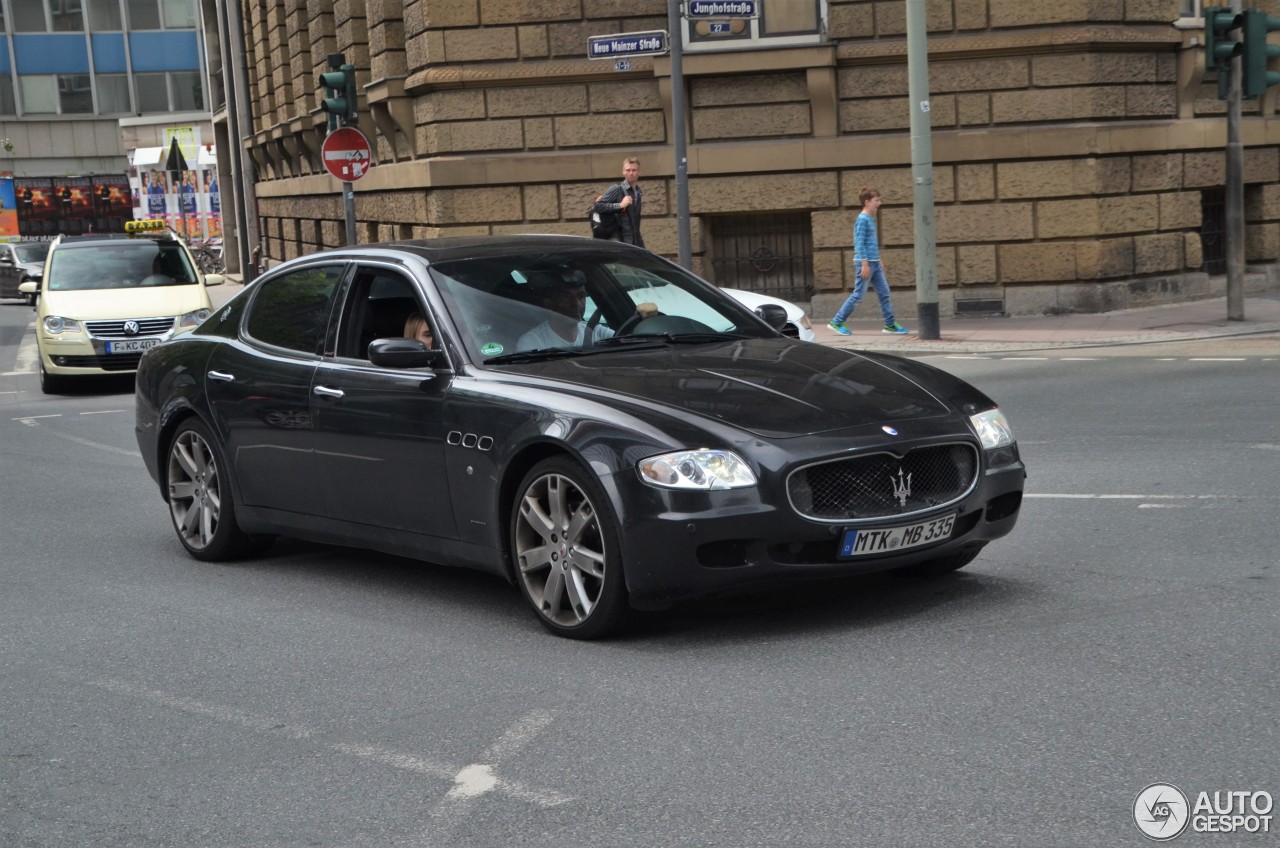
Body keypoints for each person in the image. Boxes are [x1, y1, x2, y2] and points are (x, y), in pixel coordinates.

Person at [829, 186, 910, 336]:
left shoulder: (870, 219)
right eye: (876, 200)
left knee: (884, 292)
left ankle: (890, 325)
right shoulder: (862, 219)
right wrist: (864, 264)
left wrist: (878, 259)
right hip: (865, 263)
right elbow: (859, 243)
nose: (879, 203)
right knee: (858, 295)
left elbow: (870, 242)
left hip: (874, 263)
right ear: (867, 202)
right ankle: (837, 322)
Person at [516, 282, 614, 351]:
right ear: (549, 304)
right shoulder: (533, 342)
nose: (575, 304)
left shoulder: (597, 332)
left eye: (580, 296)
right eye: (565, 297)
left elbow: (624, 339)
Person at [592, 157, 644, 247]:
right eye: (628, 170)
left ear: (639, 173)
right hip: (619, 243)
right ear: (623, 172)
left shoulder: (638, 193)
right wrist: (620, 205)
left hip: (635, 244)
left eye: (634, 170)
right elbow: (598, 206)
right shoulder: (617, 189)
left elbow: (635, 225)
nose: (631, 173)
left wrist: (641, 245)